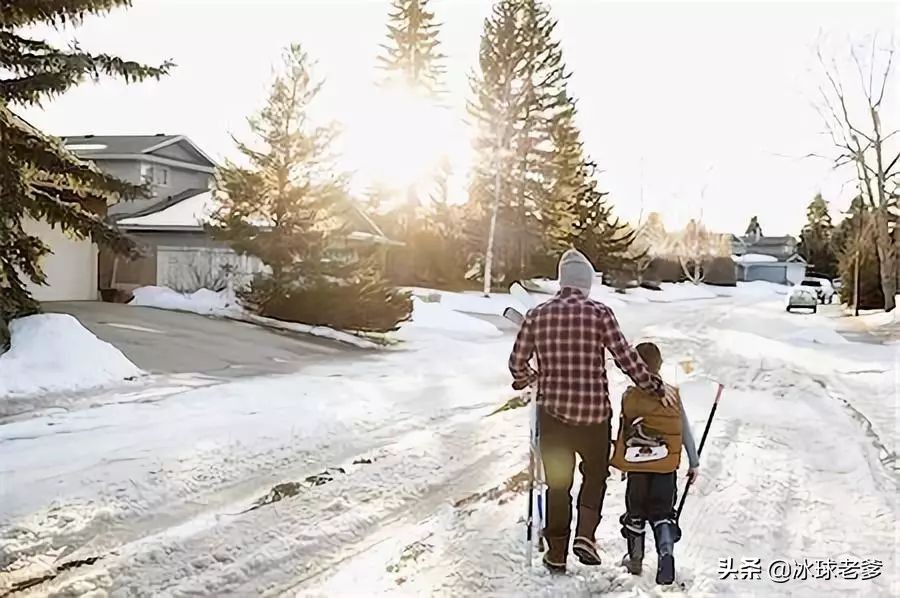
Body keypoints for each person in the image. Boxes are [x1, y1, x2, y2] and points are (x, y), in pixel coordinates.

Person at [508, 249, 677, 573]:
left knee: (558, 484)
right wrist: (657, 387)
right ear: (585, 283)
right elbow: (628, 361)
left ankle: (556, 551)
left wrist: (533, 379)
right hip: (595, 417)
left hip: (553, 416)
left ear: (561, 282)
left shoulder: (538, 315)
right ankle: (585, 536)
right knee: (595, 477)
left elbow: (516, 365)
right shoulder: (601, 313)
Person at [610, 342, 700, 586]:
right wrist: (693, 462)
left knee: (635, 514)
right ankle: (666, 556)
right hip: (665, 467)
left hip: (637, 467)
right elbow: (684, 431)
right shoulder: (671, 395)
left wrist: (618, 458)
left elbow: (623, 431)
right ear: (659, 365)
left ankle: (635, 559)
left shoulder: (630, 397)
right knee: (663, 514)